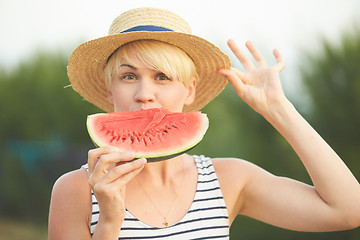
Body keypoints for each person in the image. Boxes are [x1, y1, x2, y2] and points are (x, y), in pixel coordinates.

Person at [48, 7, 360, 240]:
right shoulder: (76, 191)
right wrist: (109, 223)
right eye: (129, 76)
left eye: (162, 77)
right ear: (109, 89)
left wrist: (279, 109)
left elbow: (347, 210)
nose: (145, 95)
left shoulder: (228, 180)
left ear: (190, 90)